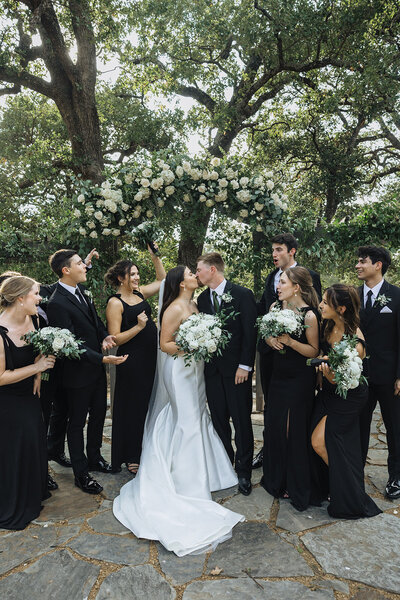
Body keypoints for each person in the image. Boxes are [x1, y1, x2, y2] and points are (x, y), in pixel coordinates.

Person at [113, 266, 243, 556]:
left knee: (198, 417)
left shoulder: (194, 303)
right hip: (179, 371)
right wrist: (195, 345)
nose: (194, 275)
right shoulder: (173, 308)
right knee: (186, 420)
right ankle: (186, 480)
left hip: (194, 370)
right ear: (180, 282)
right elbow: (165, 344)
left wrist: (204, 344)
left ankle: (211, 473)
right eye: (189, 273)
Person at [46, 249, 127, 494]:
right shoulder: (56, 302)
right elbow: (70, 345)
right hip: (76, 373)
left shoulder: (82, 291)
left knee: (99, 413)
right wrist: (102, 358)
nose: (85, 266)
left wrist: (105, 336)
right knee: (77, 422)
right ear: (65, 270)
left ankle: (94, 458)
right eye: (80, 263)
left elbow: (95, 323)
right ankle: (81, 473)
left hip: (95, 368)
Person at [311, 284, 381, 519]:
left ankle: (350, 494)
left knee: (319, 442)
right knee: (325, 443)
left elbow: (346, 381)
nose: (320, 305)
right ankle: (337, 488)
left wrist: (328, 374)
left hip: (348, 396)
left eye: (325, 302)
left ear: (340, 309)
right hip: (329, 393)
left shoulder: (355, 342)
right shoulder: (327, 326)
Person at [253, 232, 322, 469]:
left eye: (279, 249)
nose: (274, 254)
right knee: (273, 411)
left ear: (291, 251)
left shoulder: (310, 277)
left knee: (294, 416)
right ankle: (271, 450)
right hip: (272, 354)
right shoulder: (271, 277)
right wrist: (269, 338)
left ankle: (294, 462)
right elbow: (264, 311)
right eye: (273, 250)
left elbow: (317, 312)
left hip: (297, 362)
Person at [196, 252, 257, 496]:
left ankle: (244, 471)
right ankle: (225, 465)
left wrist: (245, 365)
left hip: (236, 371)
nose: (197, 273)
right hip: (212, 372)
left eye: (199, 269)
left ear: (212, 269)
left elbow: (250, 333)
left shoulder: (242, 295)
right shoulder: (201, 300)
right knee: (219, 420)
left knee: (241, 421)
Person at [260, 267, 320, 510]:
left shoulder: (310, 316)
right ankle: (277, 480)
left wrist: (291, 341)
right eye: (279, 282)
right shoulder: (275, 308)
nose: (278, 286)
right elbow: (265, 334)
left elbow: (314, 351)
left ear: (296, 287)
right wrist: (271, 339)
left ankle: (296, 483)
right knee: (275, 427)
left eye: (283, 282)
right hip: (278, 376)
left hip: (299, 379)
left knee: (292, 429)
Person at [0, 276, 56, 529]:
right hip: (8, 403)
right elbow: (0, 378)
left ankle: (33, 492)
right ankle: (13, 502)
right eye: (36, 293)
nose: (40, 297)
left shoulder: (31, 319)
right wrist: (37, 366)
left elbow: (40, 351)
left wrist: (38, 376)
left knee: (34, 443)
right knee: (14, 450)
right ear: (20, 298)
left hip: (30, 395)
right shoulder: (0, 334)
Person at [105, 246, 166, 474]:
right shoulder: (115, 303)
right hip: (131, 360)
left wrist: (155, 256)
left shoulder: (140, 294)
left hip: (150, 357)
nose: (137, 277)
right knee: (133, 407)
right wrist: (140, 327)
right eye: (132, 274)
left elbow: (162, 280)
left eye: (138, 273)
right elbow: (115, 338)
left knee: (147, 404)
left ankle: (144, 448)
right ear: (121, 278)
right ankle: (131, 455)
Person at [356, 246, 400, 499]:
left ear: (378, 265)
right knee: (358, 426)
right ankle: (355, 474)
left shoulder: (396, 296)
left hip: (389, 377)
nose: (358, 266)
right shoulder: (352, 295)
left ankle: (396, 476)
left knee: (395, 428)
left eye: (363, 262)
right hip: (359, 374)